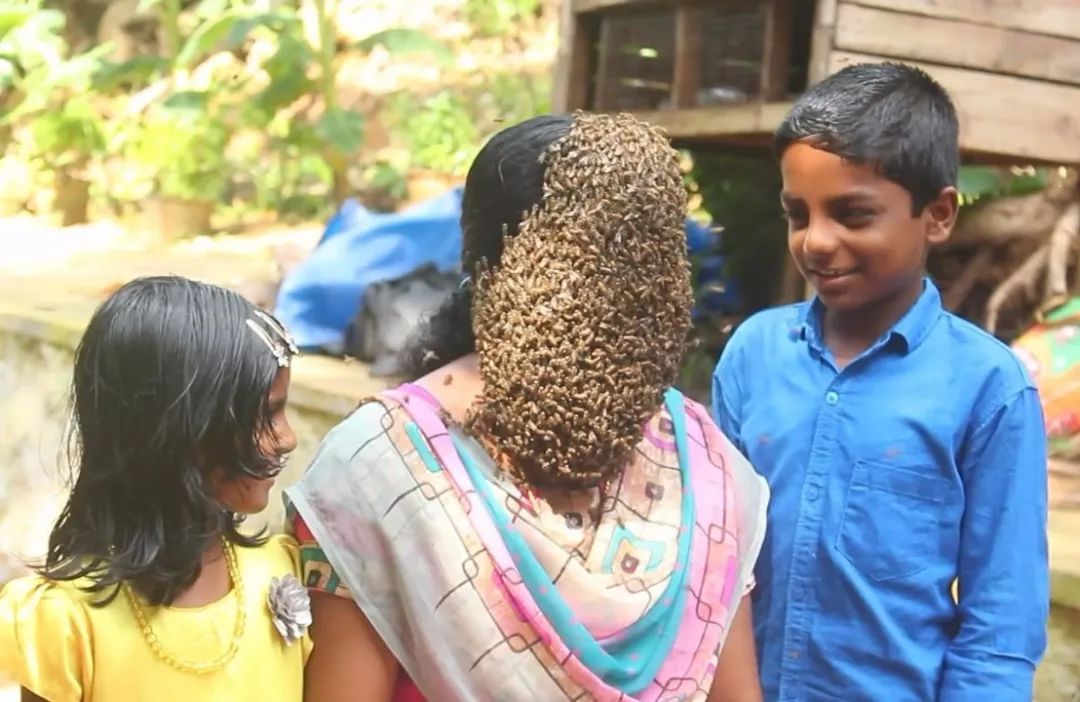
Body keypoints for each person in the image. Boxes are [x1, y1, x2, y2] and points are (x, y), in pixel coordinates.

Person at [286, 112, 770, 702]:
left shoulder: (710, 470)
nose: (627, 293)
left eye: (651, 260)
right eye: (590, 261)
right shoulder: (375, 473)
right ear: (496, 274)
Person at [712, 62, 1049, 700]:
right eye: (798, 214)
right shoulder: (753, 354)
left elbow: (999, 627)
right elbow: (710, 562)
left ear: (939, 214)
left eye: (853, 215)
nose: (817, 241)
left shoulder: (988, 388)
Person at [0, 276, 312, 702]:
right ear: (182, 433)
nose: (287, 438)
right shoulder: (65, 623)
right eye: (268, 415)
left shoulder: (282, 571)